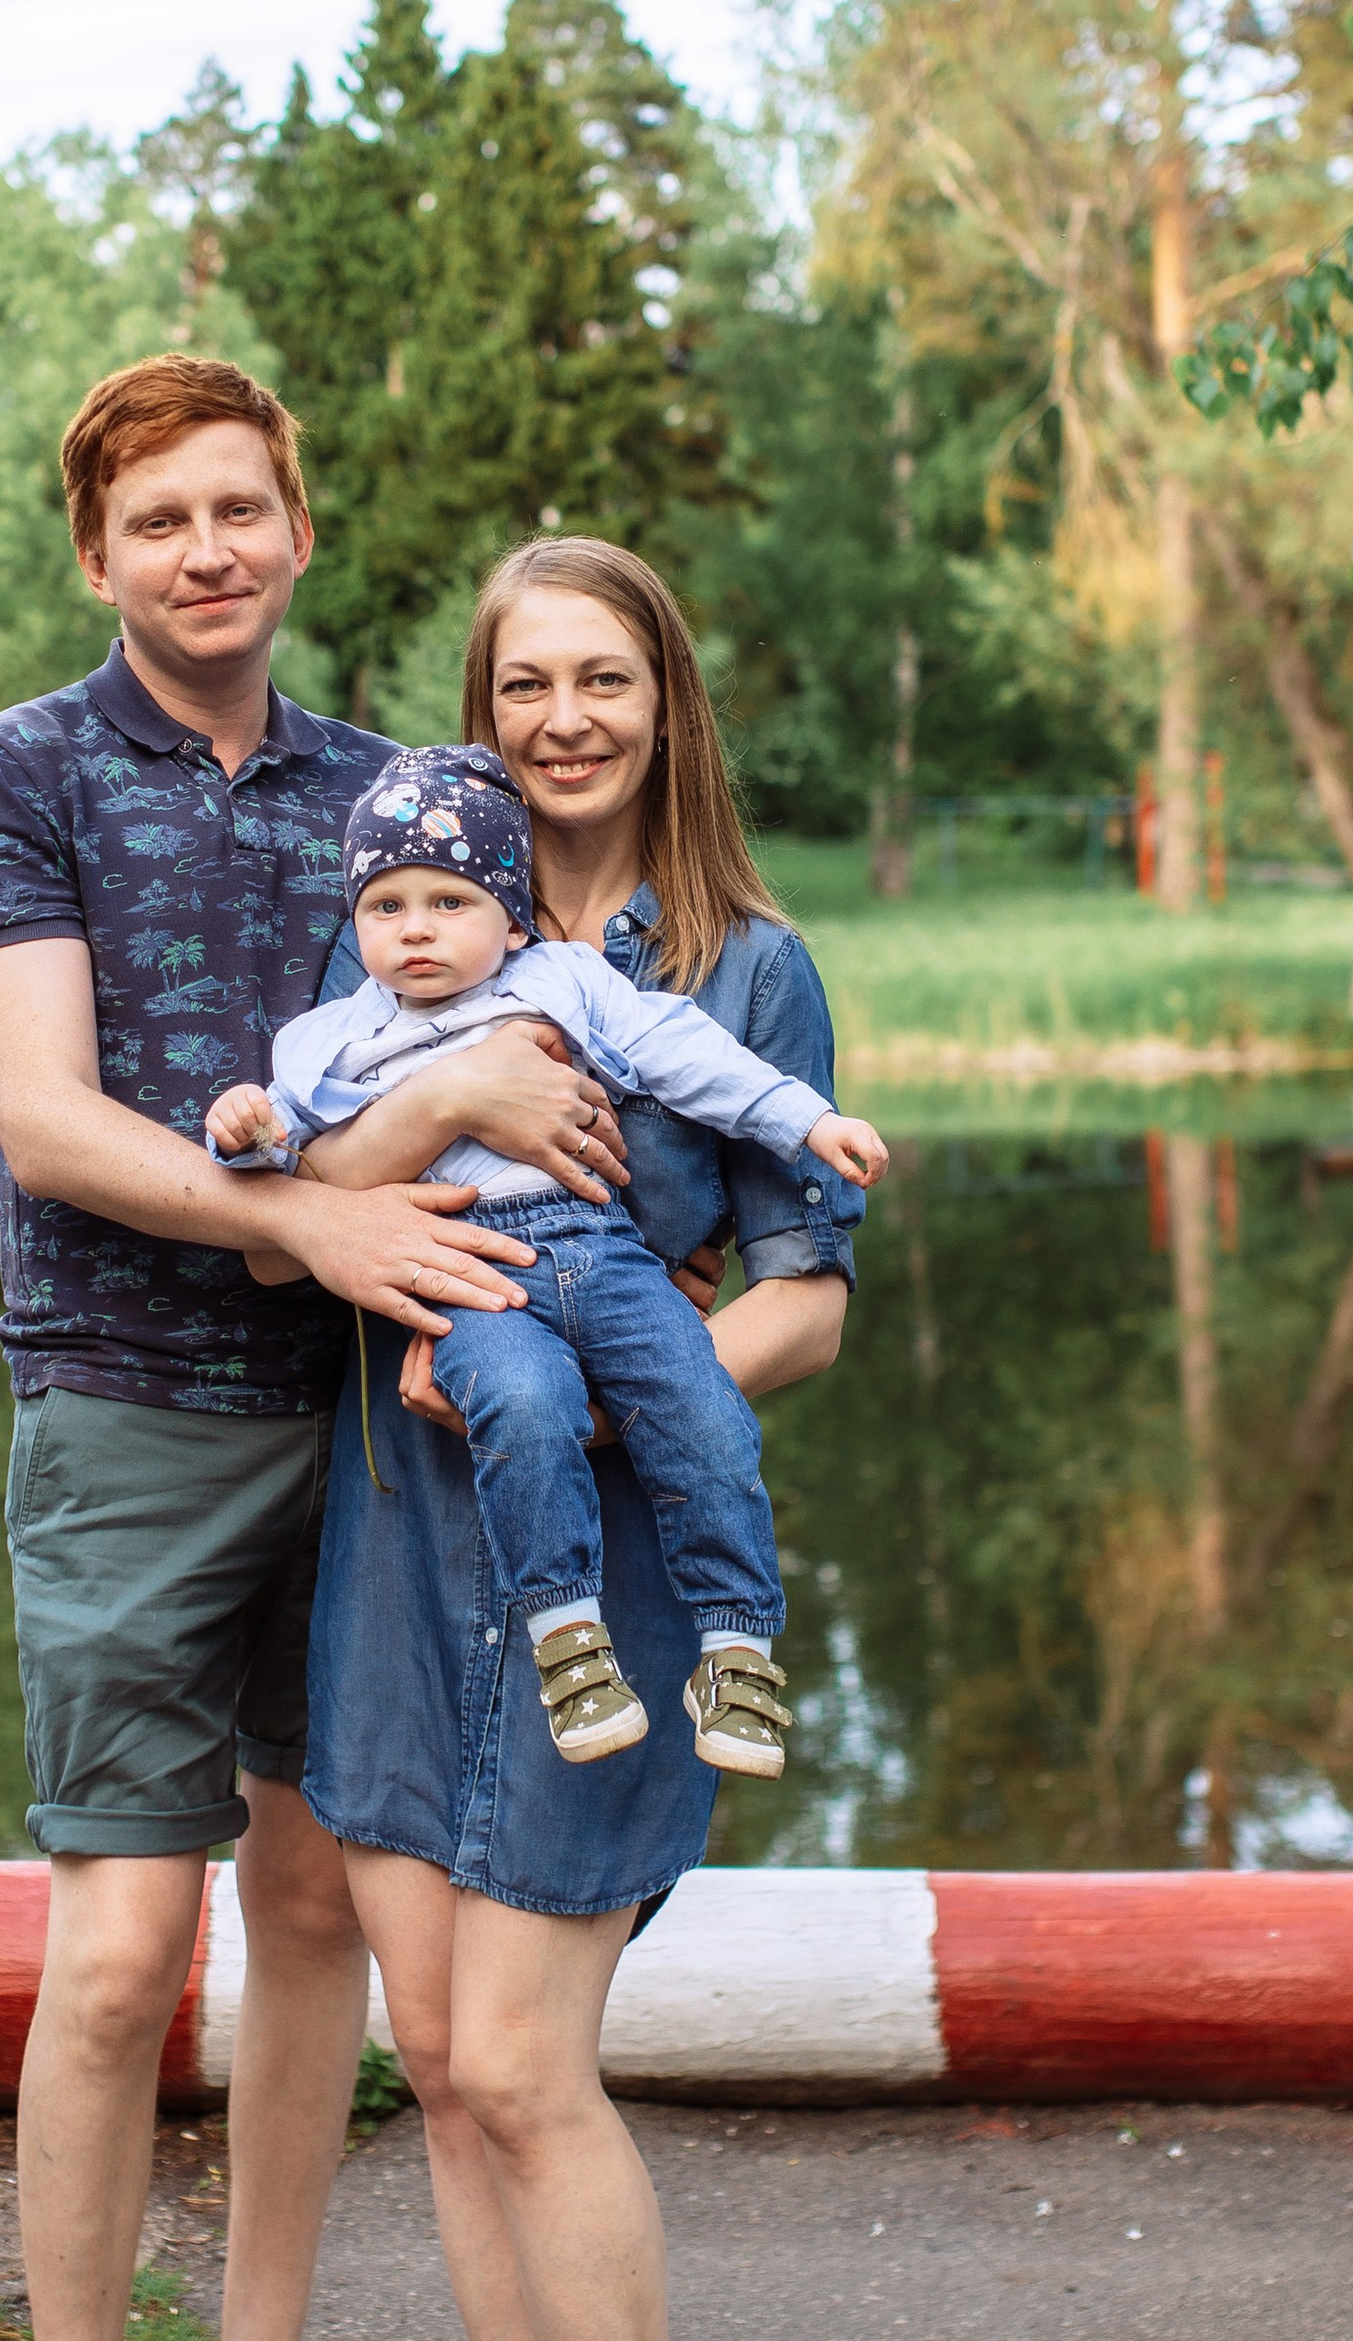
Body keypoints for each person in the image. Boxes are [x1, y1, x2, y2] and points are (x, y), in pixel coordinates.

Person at [0, 353, 571, 2341]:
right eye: (156, 518)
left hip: (375, 1421)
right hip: (125, 1409)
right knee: (115, 1956)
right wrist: (306, 1220)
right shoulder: (18, 770)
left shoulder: (397, 789)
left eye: (240, 508)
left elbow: (527, 1024)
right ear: (95, 552)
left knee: (310, 1903)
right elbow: (47, 1116)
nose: (204, 547)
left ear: (298, 523)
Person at [285, 538, 873, 2341]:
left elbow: (803, 1293)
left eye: (599, 678)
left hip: (600, 1569)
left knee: (529, 2065)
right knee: (436, 2063)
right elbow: (304, 1211)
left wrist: (632, 1387)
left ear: (664, 699)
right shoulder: (398, 931)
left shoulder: (739, 969)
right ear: (475, 709)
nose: (560, 718)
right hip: (395, 1555)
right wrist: (418, 1121)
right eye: (520, 682)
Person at [204, 742, 885, 1781]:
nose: (416, 928)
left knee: (699, 1404)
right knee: (523, 1408)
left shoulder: (565, 980)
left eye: (449, 901)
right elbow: (283, 1160)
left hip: (603, 1256)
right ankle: (567, 1638)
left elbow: (685, 1054)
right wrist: (239, 1127)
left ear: (509, 916)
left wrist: (806, 1119)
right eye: (385, 906)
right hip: (475, 1275)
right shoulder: (328, 1036)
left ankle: (737, 1648)